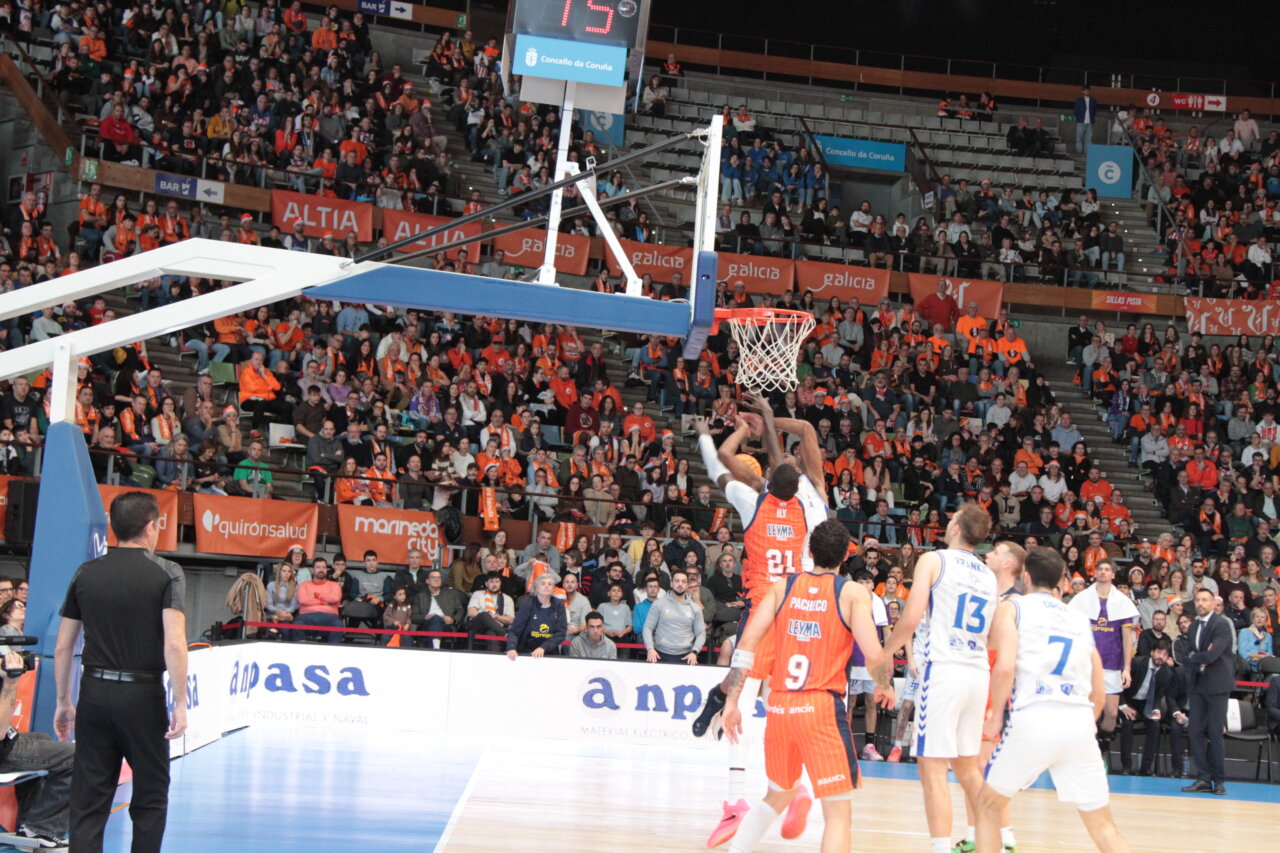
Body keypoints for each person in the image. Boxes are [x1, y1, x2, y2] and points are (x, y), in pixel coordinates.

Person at [720, 519, 893, 853]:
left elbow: (746, 645)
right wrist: (885, 684)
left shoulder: (782, 587)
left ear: (809, 551)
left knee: (778, 794)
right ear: (846, 555)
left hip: (781, 707)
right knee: (838, 815)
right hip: (820, 709)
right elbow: (874, 657)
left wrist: (733, 702)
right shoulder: (854, 593)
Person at [53, 491, 188, 853]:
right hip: (142, 697)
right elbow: (174, 643)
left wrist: (65, 701)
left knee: (88, 800)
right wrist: (180, 700)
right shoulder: (167, 572)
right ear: (150, 527)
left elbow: (64, 645)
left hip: (94, 694)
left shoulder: (86, 572)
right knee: (150, 796)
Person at [975, 548, 1131, 853]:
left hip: (1035, 717)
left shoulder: (1014, 607)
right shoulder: (1077, 616)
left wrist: (994, 717)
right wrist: (1086, 721)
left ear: (1026, 577)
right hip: (1079, 723)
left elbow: (1005, 666)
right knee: (1103, 825)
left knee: (987, 806)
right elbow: (1098, 691)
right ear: (1060, 579)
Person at [880, 503, 998, 853]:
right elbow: (991, 636)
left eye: (952, 517)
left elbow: (911, 617)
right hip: (978, 672)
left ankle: (940, 848)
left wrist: (886, 653)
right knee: (966, 768)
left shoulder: (934, 560)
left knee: (932, 769)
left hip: (944, 670)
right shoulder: (988, 574)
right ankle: (985, 842)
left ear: (958, 526)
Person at [1067, 561, 1139, 760]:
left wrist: (1127, 668)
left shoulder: (1123, 603)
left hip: (1112, 664)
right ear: (1095, 573)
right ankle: (1082, 749)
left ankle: (1104, 743)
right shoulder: (1081, 600)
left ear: (1113, 575)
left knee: (1111, 714)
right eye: (1100, 569)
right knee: (1086, 711)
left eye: (1107, 569)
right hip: (1085, 664)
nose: (1103, 572)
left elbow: (1127, 639)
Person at [1181, 587, 1234, 795]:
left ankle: (1219, 780)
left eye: (1205, 600)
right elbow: (1185, 656)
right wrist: (1199, 658)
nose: (1201, 603)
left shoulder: (1221, 625)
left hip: (1217, 684)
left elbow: (1213, 656)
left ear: (1213, 603)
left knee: (1214, 732)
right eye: (1198, 600)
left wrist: (1198, 657)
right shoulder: (1194, 626)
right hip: (1197, 683)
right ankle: (1203, 777)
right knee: (1194, 731)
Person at [642, 567, 705, 664]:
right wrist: (650, 649)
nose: (680, 584)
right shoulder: (659, 604)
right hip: (659, 654)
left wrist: (694, 651)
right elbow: (647, 627)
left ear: (687, 585)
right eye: (677, 581)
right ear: (671, 584)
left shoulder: (695, 608)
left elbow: (701, 633)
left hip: (687, 656)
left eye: (683, 581)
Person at [506, 572, 566, 658]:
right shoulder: (527, 604)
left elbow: (561, 632)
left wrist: (543, 647)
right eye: (543, 583)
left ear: (553, 589)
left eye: (550, 584)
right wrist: (511, 648)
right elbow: (515, 630)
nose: (546, 586)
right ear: (536, 588)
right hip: (527, 651)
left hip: (550, 652)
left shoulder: (559, 605)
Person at [288, 561, 344, 644]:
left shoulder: (334, 585)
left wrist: (317, 595)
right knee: (297, 625)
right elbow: (303, 600)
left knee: (338, 625)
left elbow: (335, 598)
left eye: (323, 567)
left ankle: (332, 654)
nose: (321, 569)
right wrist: (324, 602)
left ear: (326, 570)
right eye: (318, 567)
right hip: (306, 617)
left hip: (330, 617)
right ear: (313, 570)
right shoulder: (303, 585)